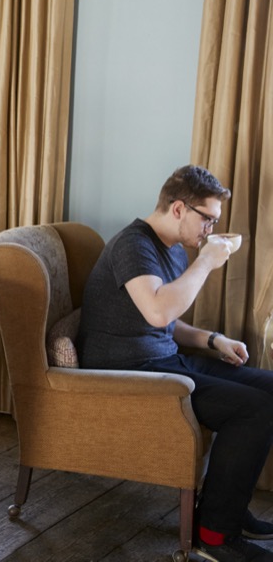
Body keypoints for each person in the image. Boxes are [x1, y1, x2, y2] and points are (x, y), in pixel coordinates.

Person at [76, 165, 273, 562]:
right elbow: (157, 312)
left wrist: (213, 340)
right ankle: (214, 536)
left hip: (162, 358)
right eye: (208, 220)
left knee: (269, 387)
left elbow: (167, 318)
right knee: (253, 411)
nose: (211, 229)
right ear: (180, 209)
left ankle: (227, 509)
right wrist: (206, 263)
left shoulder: (172, 248)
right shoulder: (134, 244)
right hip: (129, 373)